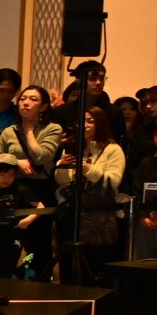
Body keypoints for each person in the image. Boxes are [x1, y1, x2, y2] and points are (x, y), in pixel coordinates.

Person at [0, 85, 61, 280]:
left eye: (33, 99)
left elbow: (41, 157)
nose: (26, 103)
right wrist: (17, 162)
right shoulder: (9, 131)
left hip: (40, 189)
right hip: (13, 188)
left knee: (40, 243)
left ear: (44, 106)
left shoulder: (53, 129)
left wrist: (29, 131)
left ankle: (41, 284)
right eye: (23, 99)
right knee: (9, 242)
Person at [56, 103, 125, 283]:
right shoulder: (74, 147)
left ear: (101, 123)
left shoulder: (112, 149)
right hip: (73, 215)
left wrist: (89, 169)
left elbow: (113, 182)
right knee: (71, 267)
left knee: (96, 267)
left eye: (91, 121)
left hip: (100, 218)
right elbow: (62, 181)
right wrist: (62, 166)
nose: (85, 125)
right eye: (82, 121)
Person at [0, 158, 48, 280]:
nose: (6, 179)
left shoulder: (20, 190)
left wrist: (28, 220)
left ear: (16, 175)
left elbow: (41, 207)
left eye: (11, 175)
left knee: (6, 268)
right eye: (2, 175)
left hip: (14, 235)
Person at [132, 117, 157, 260]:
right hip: (147, 220)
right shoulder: (146, 163)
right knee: (144, 260)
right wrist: (142, 217)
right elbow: (137, 191)